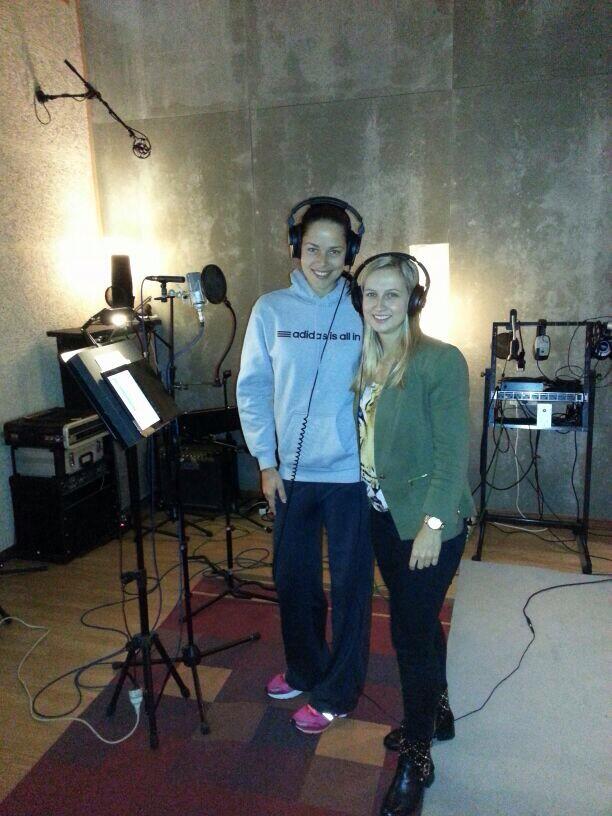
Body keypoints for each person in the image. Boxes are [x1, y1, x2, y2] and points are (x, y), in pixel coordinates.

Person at [236, 198, 373, 735]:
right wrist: (265, 463)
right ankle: (305, 668)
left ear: (350, 254)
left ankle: (338, 693)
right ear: (296, 247)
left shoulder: (363, 309)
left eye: (335, 251)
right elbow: (253, 388)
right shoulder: (270, 310)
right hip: (290, 474)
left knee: (350, 587)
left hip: (349, 477)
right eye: (313, 248)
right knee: (293, 580)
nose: (322, 261)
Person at [352, 253, 475, 816]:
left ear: (413, 302)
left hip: (429, 523)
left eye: (392, 295)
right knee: (418, 621)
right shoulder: (367, 362)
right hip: (384, 518)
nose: (379, 305)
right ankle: (438, 710)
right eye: (370, 295)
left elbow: (452, 456)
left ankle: (418, 754)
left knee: (407, 633)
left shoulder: (439, 361)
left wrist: (432, 526)